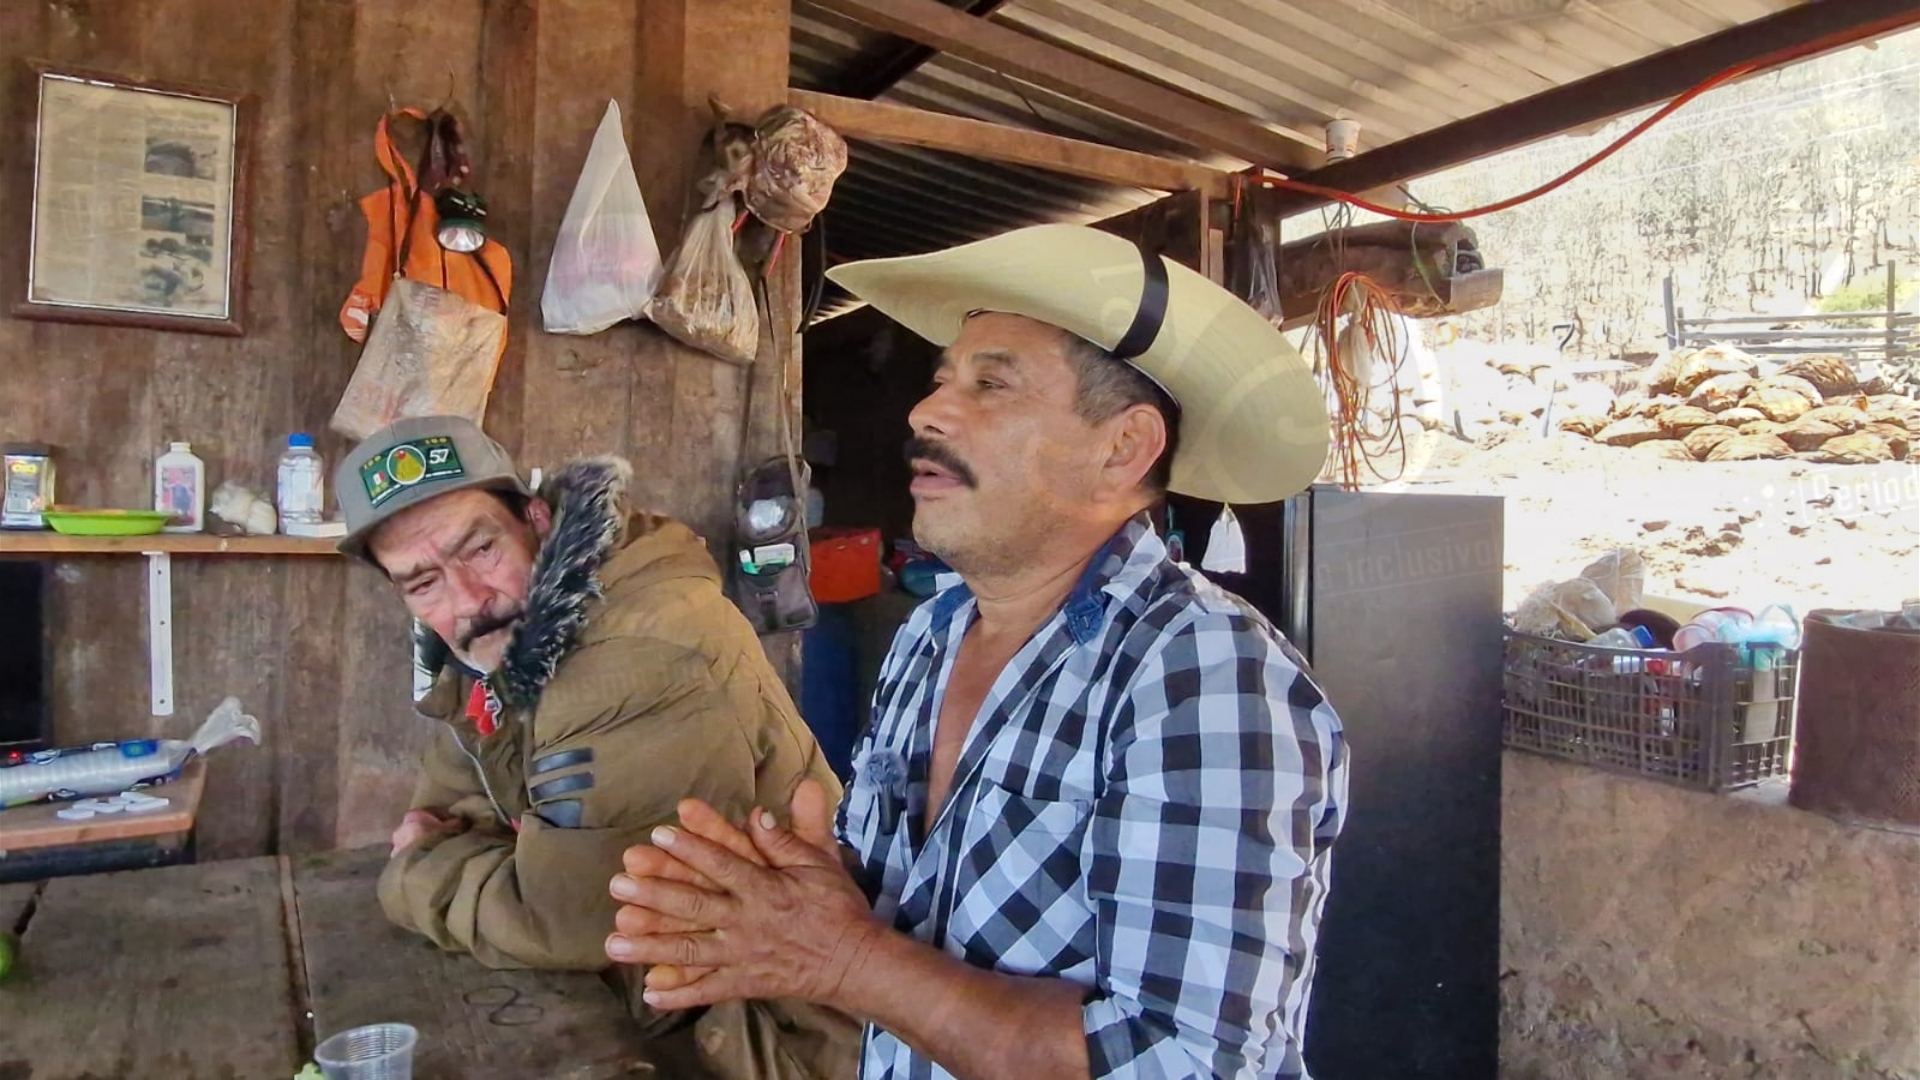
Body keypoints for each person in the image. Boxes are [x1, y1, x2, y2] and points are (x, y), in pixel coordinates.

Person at [604, 224, 1351, 1078]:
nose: (927, 412)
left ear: (1122, 448)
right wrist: (804, 901)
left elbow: (1186, 1062)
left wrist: (842, 957)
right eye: (940, 380)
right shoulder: (934, 632)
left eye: (991, 383)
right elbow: (907, 926)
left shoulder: (1206, 681)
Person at [334, 415, 860, 1079]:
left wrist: (414, 876)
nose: (470, 600)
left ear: (538, 521)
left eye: (480, 550)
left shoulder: (637, 651)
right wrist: (492, 852)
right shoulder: (506, 637)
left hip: (769, 1036)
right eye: (424, 582)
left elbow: (570, 918)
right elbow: (456, 801)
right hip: (660, 1006)